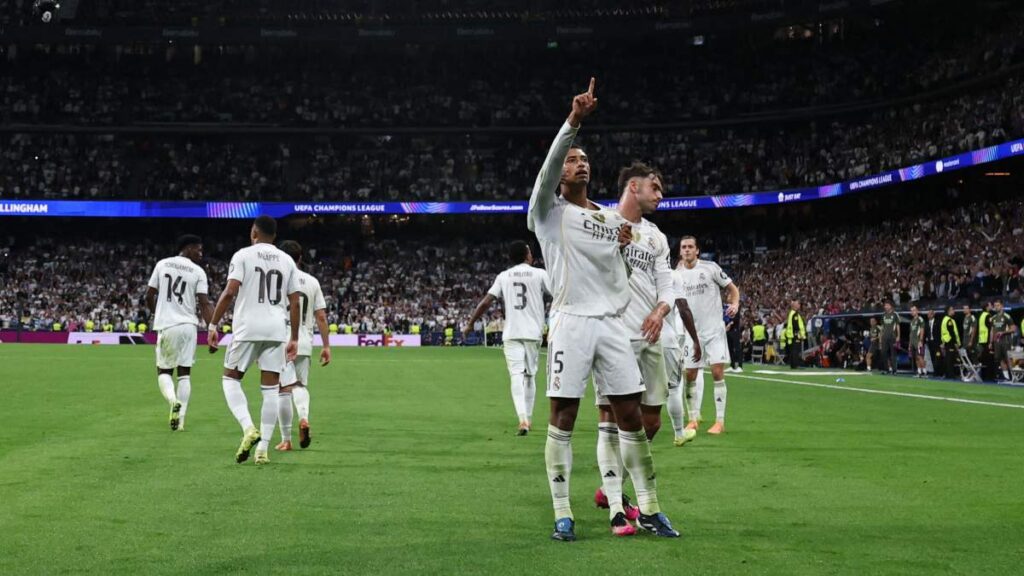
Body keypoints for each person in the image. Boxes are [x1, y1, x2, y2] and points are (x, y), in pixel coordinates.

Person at [528, 78, 679, 541]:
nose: (579, 163)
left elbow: (623, 276)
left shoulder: (614, 223)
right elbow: (549, 167)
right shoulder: (547, 212)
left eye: (585, 159)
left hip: (612, 326)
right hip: (571, 321)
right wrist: (573, 123)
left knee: (631, 419)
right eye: (573, 160)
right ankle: (561, 513)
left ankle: (649, 509)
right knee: (564, 417)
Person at [593, 162, 702, 535]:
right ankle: (617, 504)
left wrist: (659, 310)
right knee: (610, 420)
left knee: (650, 422)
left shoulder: (656, 237)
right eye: (655, 187)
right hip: (612, 336)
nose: (660, 194)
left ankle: (614, 485)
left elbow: (667, 287)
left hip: (650, 336)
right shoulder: (601, 222)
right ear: (633, 187)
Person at [208, 216, 301, 465]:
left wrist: (213, 324)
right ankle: (263, 450)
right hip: (275, 330)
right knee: (270, 389)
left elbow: (230, 291)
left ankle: (248, 428)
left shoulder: (243, 255)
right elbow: (295, 301)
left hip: (248, 327)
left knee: (230, 378)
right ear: (275, 235)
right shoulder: (287, 260)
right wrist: (294, 337)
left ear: (254, 232)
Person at [464, 240, 551, 435]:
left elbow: (486, 302)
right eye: (529, 251)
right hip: (533, 333)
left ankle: (522, 419)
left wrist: (471, 323)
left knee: (516, 375)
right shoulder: (540, 274)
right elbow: (558, 295)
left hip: (511, 332)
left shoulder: (504, 276)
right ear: (527, 255)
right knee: (530, 376)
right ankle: (528, 417)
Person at [144, 234, 213, 431]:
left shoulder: (163, 264)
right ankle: (180, 420)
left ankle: (173, 401)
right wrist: (212, 329)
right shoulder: (198, 271)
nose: (201, 254)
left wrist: (157, 312)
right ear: (188, 248)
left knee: (163, 371)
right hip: (189, 326)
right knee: (185, 375)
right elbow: (204, 303)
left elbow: (149, 295)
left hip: (168, 324)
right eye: (198, 250)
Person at [677, 236, 740, 436]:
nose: (687, 250)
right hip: (691, 333)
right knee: (690, 375)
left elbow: (732, 289)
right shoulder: (676, 275)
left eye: (690, 247)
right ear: (680, 251)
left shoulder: (710, 268)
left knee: (717, 373)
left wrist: (735, 304)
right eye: (683, 247)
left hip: (714, 331)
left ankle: (720, 422)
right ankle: (693, 419)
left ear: (697, 250)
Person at [275, 241, 332, 451]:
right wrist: (326, 346)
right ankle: (304, 417)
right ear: (300, 258)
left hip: (280, 340)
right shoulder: (312, 281)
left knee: (282, 389)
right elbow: (321, 316)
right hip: (304, 342)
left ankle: (286, 439)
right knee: (299, 385)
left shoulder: (278, 280)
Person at [988, 299, 1017, 381]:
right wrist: (990, 342)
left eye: (998, 305)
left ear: (1002, 306)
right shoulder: (993, 318)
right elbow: (992, 331)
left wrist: (1003, 332)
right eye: (995, 306)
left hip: (1006, 341)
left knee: (1008, 359)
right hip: (997, 342)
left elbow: (1013, 329)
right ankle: (1006, 378)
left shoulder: (1007, 316)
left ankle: (1014, 377)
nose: (996, 307)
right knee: (1000, 359)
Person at [878, 302, 900, 374]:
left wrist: (898, 336)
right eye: (885, 305)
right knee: (883, 353)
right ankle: (886, 369)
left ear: (891, 306)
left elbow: (897, 326)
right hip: (885, 337)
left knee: (893, 354)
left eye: (887, 305)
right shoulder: (883, 315)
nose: (886, 306)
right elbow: (882, 327)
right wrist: (880, 337)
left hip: (892, 336)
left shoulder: (895, 314)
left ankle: (894, 370)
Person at [940, 305, 961, 380]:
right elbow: (952, 332)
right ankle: (950, 375)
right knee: (950, 359)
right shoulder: (949, 321)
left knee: (947, 359)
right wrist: (955, 343)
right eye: (952, 310)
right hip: (950, 342)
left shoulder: (944, 319)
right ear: (948, 311)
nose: (954, 311)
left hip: (946, 341)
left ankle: (947, 374)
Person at [785, 300, 806, 370]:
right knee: (795, 350)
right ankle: (795, 365)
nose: (799, 305)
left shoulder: (791, 313)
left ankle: (793, 364)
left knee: (793, 350)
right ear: (795, 306)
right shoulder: (795, 314)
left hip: (791, 335)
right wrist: (800, 334)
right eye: (798, 304)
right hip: (795, 334)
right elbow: (796, 325)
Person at [908, 305, 927, 377]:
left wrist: (921, 340)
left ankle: (924, 372)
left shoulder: (920, 319)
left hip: (918, 341)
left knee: (920, 357)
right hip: (912, 342)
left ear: (917, 311)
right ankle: (919, 372)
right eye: (911, 311)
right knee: (916, 357)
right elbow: (911, 333)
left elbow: (922, 330)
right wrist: (909, 343)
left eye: (914, 310)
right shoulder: (912, 321)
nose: (912, 312)